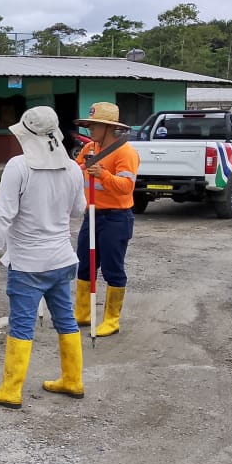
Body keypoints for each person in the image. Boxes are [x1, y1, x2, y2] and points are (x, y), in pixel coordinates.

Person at [0, 106, 88, 407]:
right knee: (66, 320)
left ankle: (11, 389)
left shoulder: (18, 166)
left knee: (21, 324)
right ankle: (72, 380)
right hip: (62, 260)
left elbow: (3, 215)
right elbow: (78, 210)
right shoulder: (72, 168)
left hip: (28, 264)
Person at [73, 102, 140, 336]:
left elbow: (126, 187)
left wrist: (103, 174)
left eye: (94, 125)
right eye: (89, 125)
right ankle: (82, 313)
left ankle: (112, 320)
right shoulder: (89, 148)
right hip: (91, 214)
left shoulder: (126, 153)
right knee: (84, 264)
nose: (90, 129)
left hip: (116, 218)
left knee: (113, 268)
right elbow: (76, 170)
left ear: (109, 127)